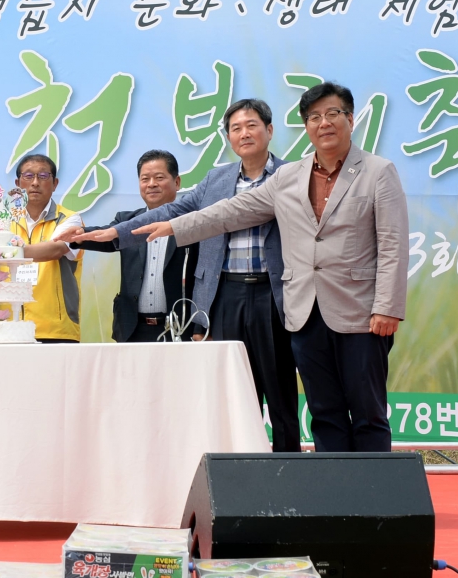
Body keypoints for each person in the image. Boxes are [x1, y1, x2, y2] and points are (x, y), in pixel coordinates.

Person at [129, 83, 408, 453]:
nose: (323, 123)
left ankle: (373, 490)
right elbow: (232, 211)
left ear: (350, 119)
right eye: (314, 117)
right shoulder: (291, 176)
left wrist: (387, 306)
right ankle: (336, 488)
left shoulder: (378, 171)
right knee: (324, 412)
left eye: (332, 114)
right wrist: (175, 227)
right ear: (306, 126)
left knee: (368, 412)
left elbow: (392, 243)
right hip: (304, 314)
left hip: (359, 313)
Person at [60, 99, 301, 453]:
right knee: (232, 395)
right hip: (226, 295)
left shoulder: (293, 176)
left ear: (269, 130)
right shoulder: (216, 180)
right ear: (228, 137)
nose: (244, 133)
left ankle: (288, 471)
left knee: (280, 394)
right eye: (235, 128)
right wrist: (115, 232)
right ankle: (238, 471)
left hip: (273, 296)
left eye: (251, 125)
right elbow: (172, 210)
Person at [74, 150, 199, 343]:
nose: (151, 184)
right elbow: (107, 236)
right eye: (145, 179)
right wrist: (78, 236)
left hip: (180, 326)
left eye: (159, 178)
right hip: (132, 329)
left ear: (177, 182)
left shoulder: (192, 222)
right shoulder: (127, 221)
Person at [8, 154, 82, 343]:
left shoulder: (69, 219)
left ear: (55, 183)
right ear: (17, 184)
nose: (35, 183)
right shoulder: (3, 221)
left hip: (55, 330)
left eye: (43, 176)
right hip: (7, 328)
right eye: (28, 176)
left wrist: (1, 251)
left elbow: (56, 249)